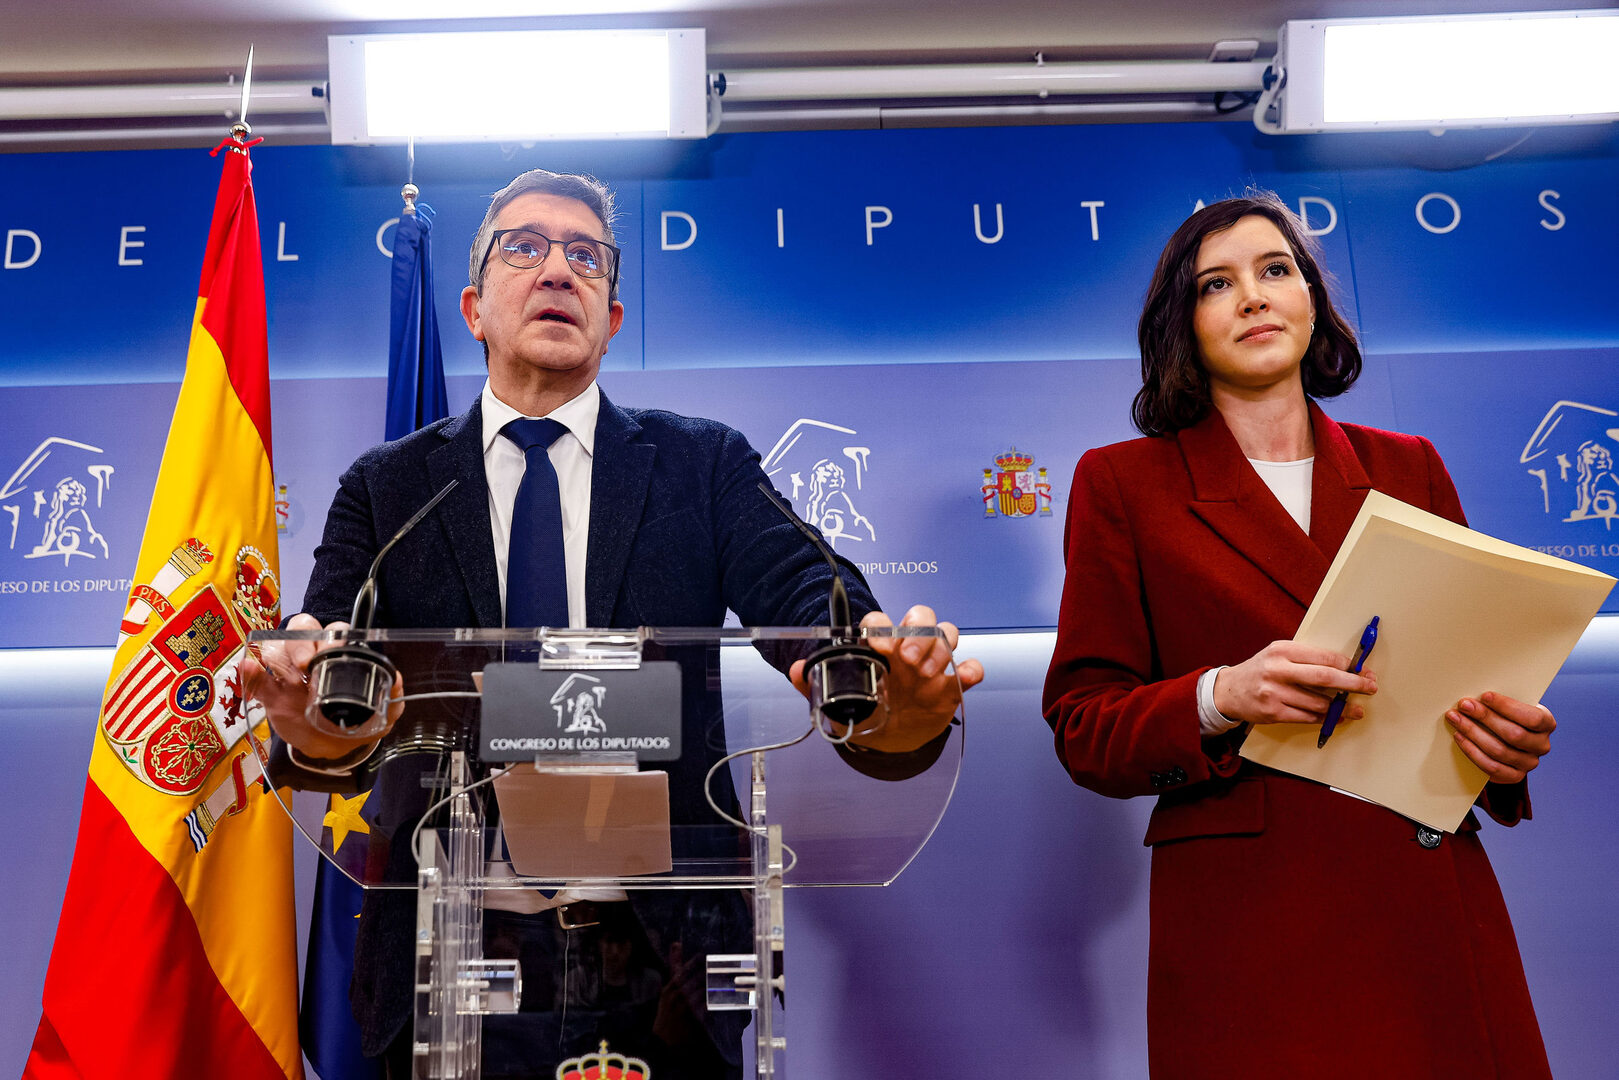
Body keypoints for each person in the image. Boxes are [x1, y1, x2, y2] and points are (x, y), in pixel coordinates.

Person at [243, 167, 982, 1078]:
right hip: (450, 956)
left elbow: (810, 598)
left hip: (665, 967)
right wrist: (309, 716)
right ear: (473, 309)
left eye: (586, 258)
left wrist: (883, 681)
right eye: (525, 249)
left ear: (613, 318)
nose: (558, 270)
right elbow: (334, 664)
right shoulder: (388, 486)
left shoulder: (700, 464)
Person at [1042, 193, 1555, 1079]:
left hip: (1425, 897)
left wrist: (1504, 749)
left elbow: (1466, 676)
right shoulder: (1122, 483)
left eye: (1274, 270)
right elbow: (1085, 727)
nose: (1252, 295)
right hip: (1252, 920)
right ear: (1181, 323)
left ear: (1310, 300)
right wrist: (1219, 696)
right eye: (1216, 284)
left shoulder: (1410, 465)